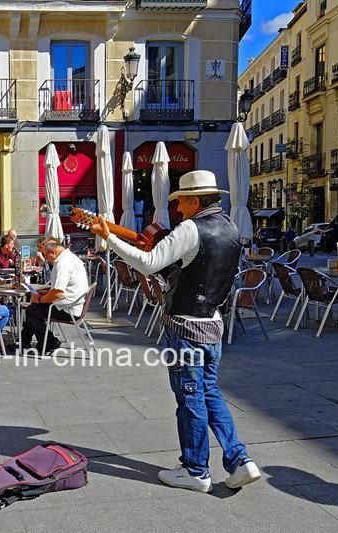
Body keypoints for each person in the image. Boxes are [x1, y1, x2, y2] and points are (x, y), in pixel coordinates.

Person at [89, 170, 260, 493]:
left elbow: (148, 262)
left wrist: (109, 238)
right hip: (213, 324)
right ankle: (239, 460)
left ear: (195, 200)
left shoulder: (191, 229)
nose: (178, 209)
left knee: (190, 397)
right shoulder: (231, 228)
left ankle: (195, 470)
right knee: (210, 392)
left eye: (180, 202)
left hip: (185, 328)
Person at [20, 240, 89, 354]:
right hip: (74, 304)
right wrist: (46, 293)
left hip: (68, 309)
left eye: (46, 256)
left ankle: (49, 342)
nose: (46, 259)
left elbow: (57, 293)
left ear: (52, 251)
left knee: (32, 311)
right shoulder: (71, 257)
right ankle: (24, 342)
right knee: (34, 308)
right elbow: (60, 289)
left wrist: (41, 299)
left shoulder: (62, 264)